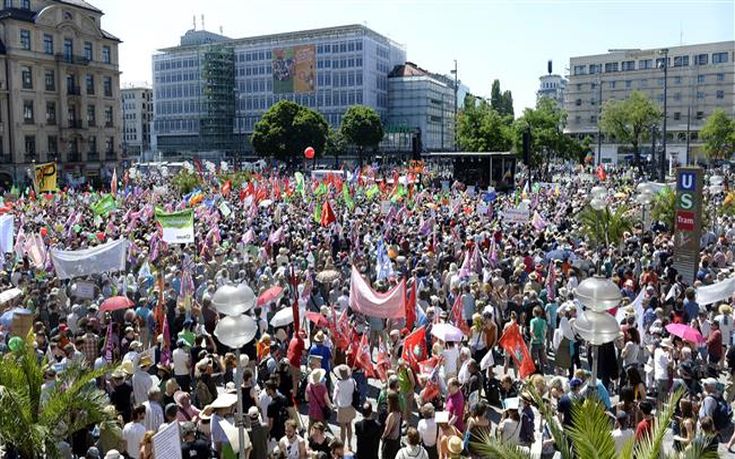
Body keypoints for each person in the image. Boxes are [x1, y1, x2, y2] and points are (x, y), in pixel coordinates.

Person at [333, 364, 357, 450]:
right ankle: (350, 444)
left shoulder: (338, 384)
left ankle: (342, 446)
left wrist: (336, 405)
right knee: (349, 425)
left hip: (342, 408)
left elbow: (334, 398)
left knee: (342, 429)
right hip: (350, 406)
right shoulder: (352, 381)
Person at [381, 392, 403, 459]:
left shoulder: (391, 415)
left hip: (390, 441)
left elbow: (387, 430)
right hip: (395, 440)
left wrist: (383, 436)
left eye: (388, 398)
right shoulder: (398, 412)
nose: (387, 399)